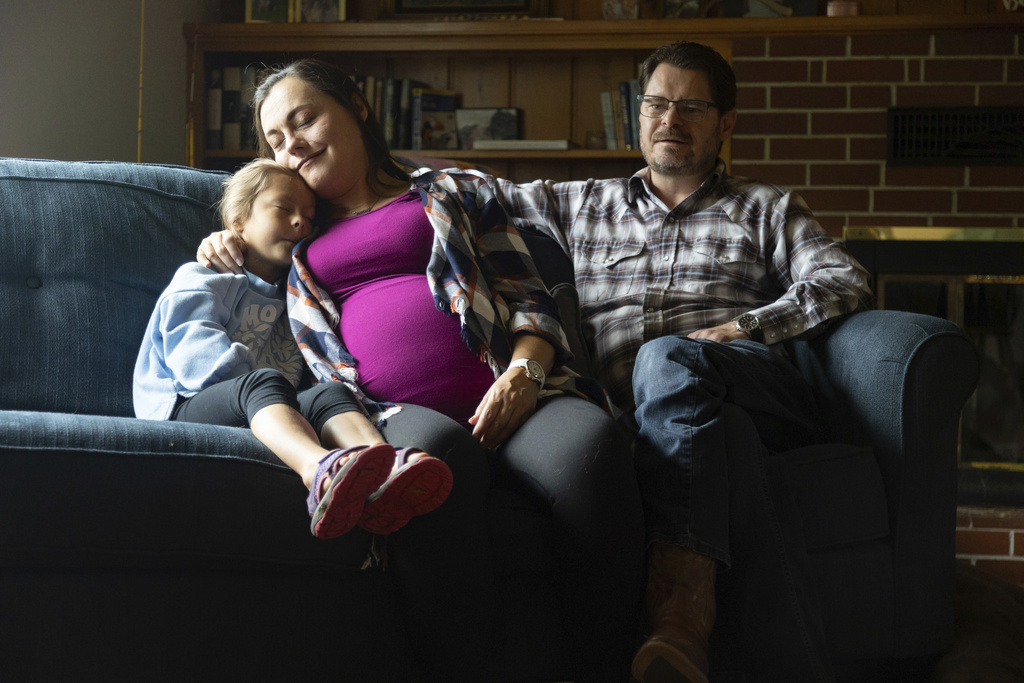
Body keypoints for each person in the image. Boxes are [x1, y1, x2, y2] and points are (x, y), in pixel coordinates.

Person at [197, 60, 645, 682]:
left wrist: (525, 376)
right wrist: (222, 243)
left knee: (593, 449)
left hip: (517, 393)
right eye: (275, 138)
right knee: (439, 467)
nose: (291, 144)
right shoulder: (293, 229)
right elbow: (235, 266)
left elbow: (527, 293)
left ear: (357, 106)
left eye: (304, 119)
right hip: (391, 413)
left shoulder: (449, 190)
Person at [488, 41, 874, 683]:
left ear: (725, 124)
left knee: (667, 359)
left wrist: (743, 326)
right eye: (657, 104)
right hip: (663, 410)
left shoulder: (765, 207)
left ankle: (679, 610)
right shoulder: (579, 203)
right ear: (639, 115)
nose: (670, 120)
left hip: (752, 380)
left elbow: (842, 279)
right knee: (719, 435)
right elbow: (471, 193)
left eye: (691, 107)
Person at [134, 159, 452, 540]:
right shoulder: (203, 277)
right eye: (284, 209)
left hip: (270, 406)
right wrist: (271, 392)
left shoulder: (298, 294)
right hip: (186, 405)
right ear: (237, 221)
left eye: (309, 216)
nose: (301, 222)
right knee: (261, 381)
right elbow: (194, 361)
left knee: (330, 393)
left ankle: (383, 467)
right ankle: (319, 470)